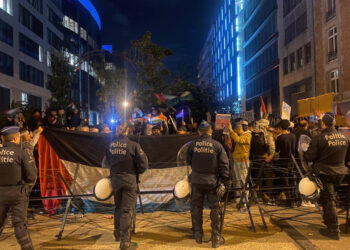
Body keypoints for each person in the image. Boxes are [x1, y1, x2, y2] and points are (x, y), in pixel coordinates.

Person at [303, 112, 350, 240]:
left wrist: (304, 152)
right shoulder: (344, 137)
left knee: (328, 200)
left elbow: (310, 156)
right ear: (334, 123)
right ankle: (329, 221)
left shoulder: (319, 138)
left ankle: (333, 229)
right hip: (341, 172)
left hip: (325, 173)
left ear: (323, 123)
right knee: (330, 198)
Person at [104, 123, 148, 250]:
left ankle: (117, 233)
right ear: (127, 131)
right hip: (129, 179)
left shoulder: (110, 145)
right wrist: (137, 172)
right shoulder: (134, 145)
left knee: (118, 207)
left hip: (115, 180)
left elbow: (107, 161)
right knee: (127, 210)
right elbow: (143, 164)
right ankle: (125, 242)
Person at [186, 121, 230, 248]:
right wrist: (223, 182)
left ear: (199, 132)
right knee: (215, 209)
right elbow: (224, 165)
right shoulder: (217, 145)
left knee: (196, 207)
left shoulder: (192, 145)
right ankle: (215, 238)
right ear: (210, 132)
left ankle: (198, 235)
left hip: (196, 181)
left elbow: (188, 161)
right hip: (212, 182)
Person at [0, 126, 37, 250]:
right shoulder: (22, 153)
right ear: (16, 139)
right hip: (18, 194)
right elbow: (31, 176)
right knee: (20, 226)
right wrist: (25, 190)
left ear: (3, 138)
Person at [228, 122, 252, 205]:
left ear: (239, 129)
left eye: (235, 130)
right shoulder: (241, 135)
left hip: (243, 161)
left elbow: (239, 140)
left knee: (243, 180)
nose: (234, 132)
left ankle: (245, 200)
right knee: (238, 180)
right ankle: (238, 199)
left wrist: (231, 131)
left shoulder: (248, 135)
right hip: (237, 160)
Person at [275, 120, 297, 205]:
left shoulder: (280, 138)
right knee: (291, 180)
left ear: (280, 128)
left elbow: (277, 151)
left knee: (285, 181)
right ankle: (293, 199)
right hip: (292, 161)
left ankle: (289, 201)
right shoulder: (293, 136)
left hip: (283, 161)